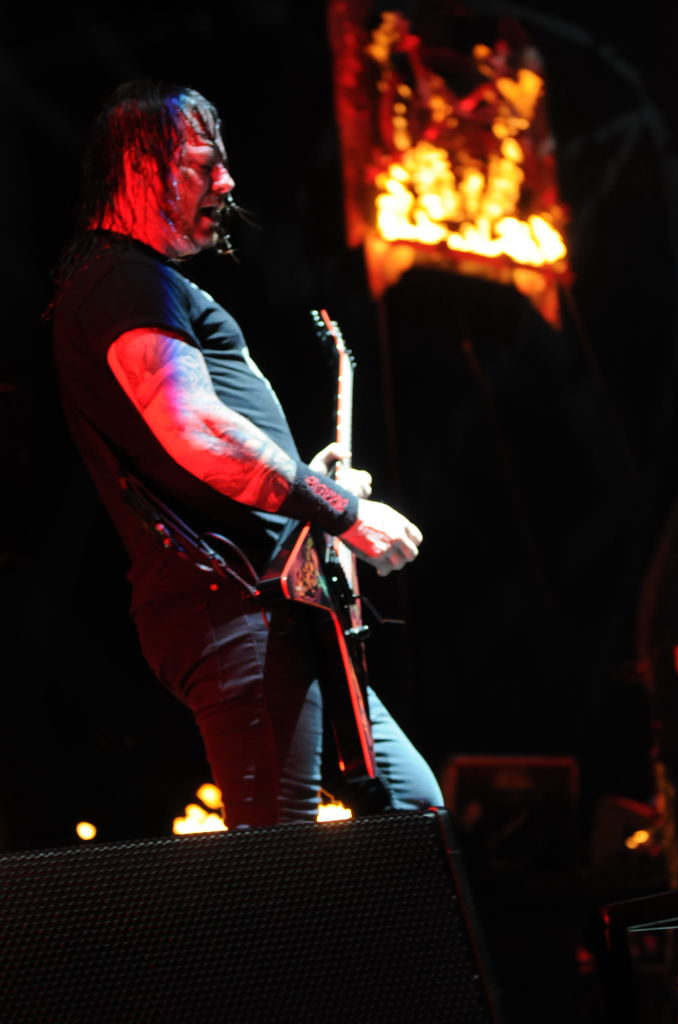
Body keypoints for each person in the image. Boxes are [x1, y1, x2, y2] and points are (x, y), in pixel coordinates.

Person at [51, 80, 443, 828]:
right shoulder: (123, 280)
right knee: (280, 848)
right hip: (234, 607)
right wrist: (343, 512)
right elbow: (199, 432)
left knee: (411, 815)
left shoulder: (133, 282)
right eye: (203, 163)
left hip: (277, 604)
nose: (226, 182)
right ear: (139, 167)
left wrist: (305, 493)